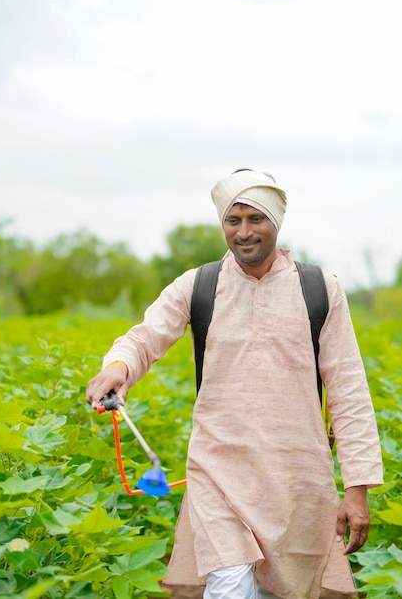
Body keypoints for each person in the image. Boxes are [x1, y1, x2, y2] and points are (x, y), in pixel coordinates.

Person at [86, 169, 383, 599]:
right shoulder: (199, 285)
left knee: (278, 591)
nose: (244, 232)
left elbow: (348, 390)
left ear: (276, 221)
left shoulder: (320, 289)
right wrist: (118, 366)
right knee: (229, 585)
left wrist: (356, 490)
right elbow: (144, 337)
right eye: (233, 220)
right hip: (218, 471)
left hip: (297, 479)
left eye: (255, 219)